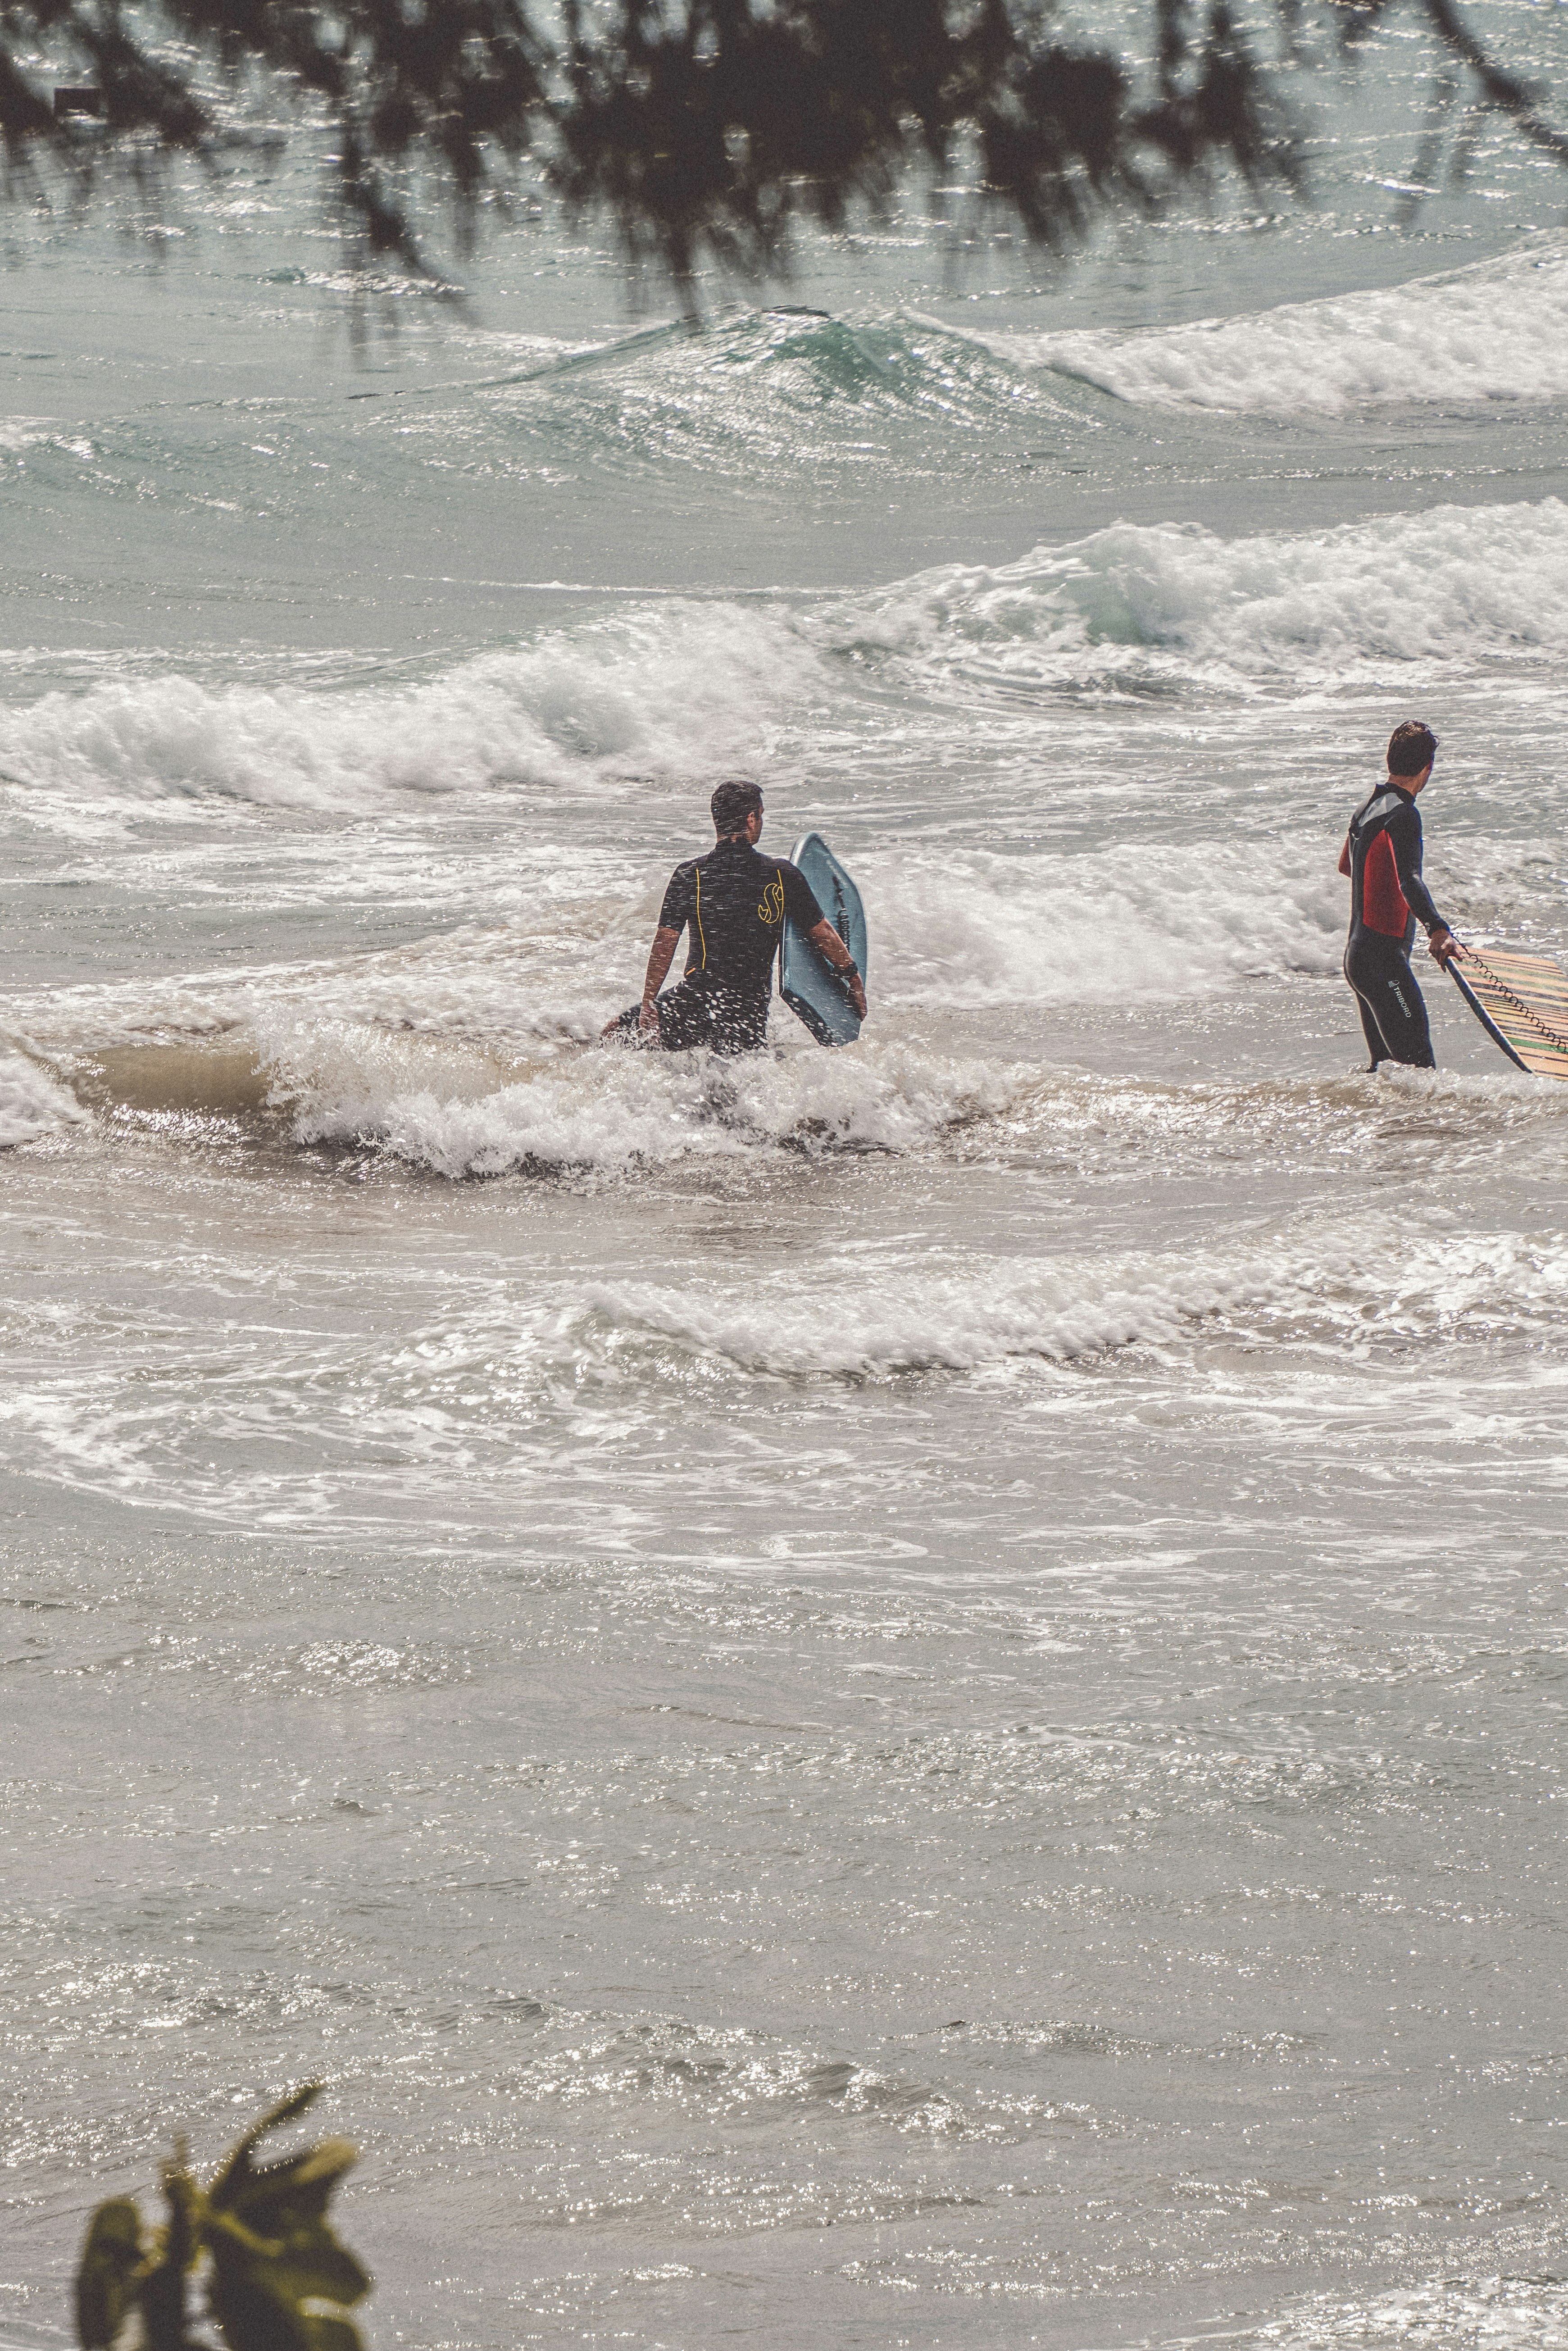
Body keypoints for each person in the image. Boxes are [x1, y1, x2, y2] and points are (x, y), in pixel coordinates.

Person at [603, 779, 868, 1055]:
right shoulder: (782, 875)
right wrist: (853, 978)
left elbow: (665, 942)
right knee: (739, 1080)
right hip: (749, 1009)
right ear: (751, 819)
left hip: (697, 1001)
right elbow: (822, 933)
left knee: (615, 1036)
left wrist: (649, 1003)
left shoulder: (690, 875)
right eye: (761, 815)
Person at [1339, 720, 1459, 1071]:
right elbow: (1409, 879)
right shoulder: (1404, 814)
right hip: (1383, 962)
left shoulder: (1365, 809)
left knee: (1386, 1075)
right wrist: (1438, 929)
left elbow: (1347, 866)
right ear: (1427, 768)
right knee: (1421, 1073)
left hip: (1357, 959)